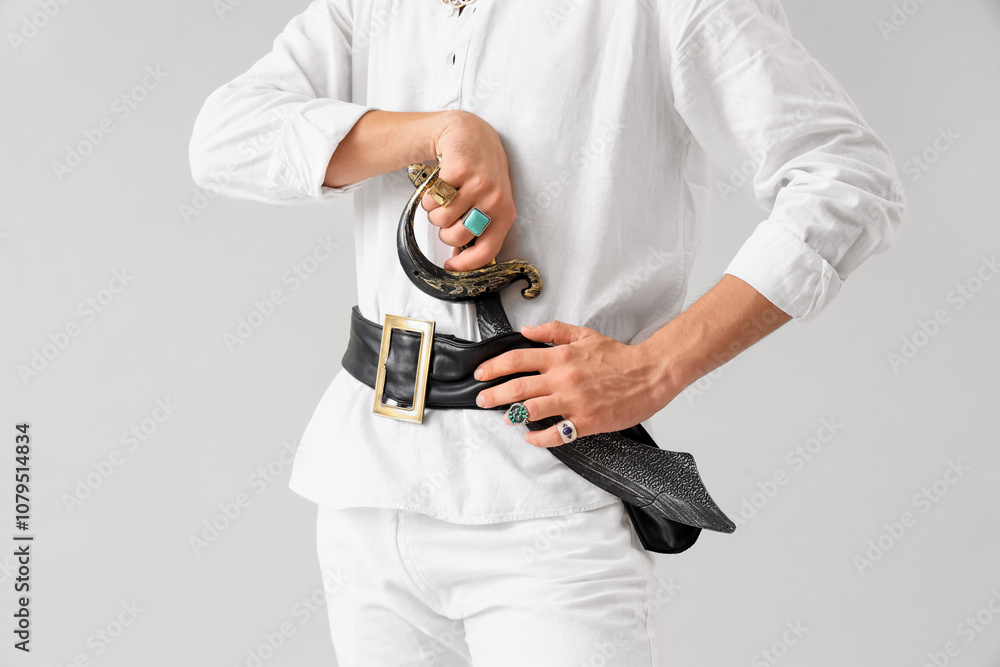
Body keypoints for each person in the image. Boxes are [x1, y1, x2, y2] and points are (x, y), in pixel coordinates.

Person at [188, 0, 905, 664]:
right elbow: (223, 137)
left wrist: (658, 366)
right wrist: (438, 131)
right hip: (367, 497)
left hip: (550, 505)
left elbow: (844, 178)